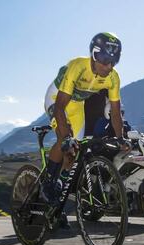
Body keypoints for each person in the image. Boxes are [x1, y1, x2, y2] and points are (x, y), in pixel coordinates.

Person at [42, 32, 127, 228]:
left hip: (77, 105)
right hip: (57, 100)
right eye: (105, 60)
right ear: (94, 54)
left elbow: (115, 113)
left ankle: (58, 197)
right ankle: (48, 181)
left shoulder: (113, 78)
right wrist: (65, 137)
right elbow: (60, 107)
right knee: (65, 140)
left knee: (75, 151)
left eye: (114, 61)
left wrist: (121, 138)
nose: (109, 66)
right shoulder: (77, 66)